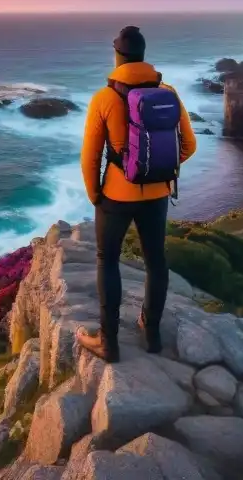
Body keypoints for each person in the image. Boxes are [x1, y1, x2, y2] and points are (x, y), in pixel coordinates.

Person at [75, 25, 197, 362]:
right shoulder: (168, 91)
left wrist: (94, 193)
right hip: (157, 195)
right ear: (142, 55)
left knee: (107, 260)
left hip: (115, 196)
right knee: (156, 261)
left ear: (118, 56)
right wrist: (158, 171)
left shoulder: (104, 98)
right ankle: (151, 332)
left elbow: (90, 156)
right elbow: (189, 144)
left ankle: (109, 342)